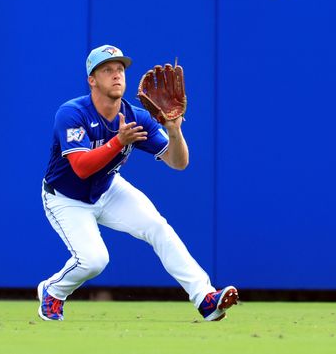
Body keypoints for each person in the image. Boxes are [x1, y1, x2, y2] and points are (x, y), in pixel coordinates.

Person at [37, 44, 238, 321]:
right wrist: (118, 141)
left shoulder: (135, 117)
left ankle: (205, 298)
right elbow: (81, 168)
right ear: (91, 80)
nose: (117, 74)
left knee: (157, 227)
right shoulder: (72, 113)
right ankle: (53, 291)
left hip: (107, 188)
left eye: (120, 69)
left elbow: (178, 162)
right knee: (94, 261)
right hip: (66, 198)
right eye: (107, 70)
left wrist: (174, 130)